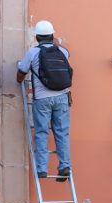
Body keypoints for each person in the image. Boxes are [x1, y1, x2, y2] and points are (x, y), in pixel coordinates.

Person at [17, 20, 73, 182]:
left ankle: (42, 168)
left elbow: (21, 73)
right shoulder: (62, 51)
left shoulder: (32, 52)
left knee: (42, 132)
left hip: (42, 99)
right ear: (52, 35)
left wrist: (19, 78)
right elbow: (67, 54)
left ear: (36, 37)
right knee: (62, 132)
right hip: (62, 97)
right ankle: (64, 166)